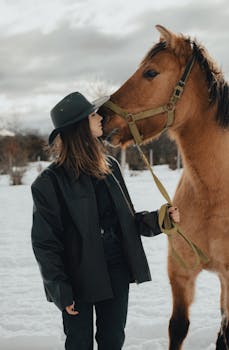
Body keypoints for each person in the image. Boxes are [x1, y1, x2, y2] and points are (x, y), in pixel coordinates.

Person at [31, 92, 180, 350]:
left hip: (117, 271)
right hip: (77, 278)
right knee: (79, 344)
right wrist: (60, 289)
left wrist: (160, 219)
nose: (100, 118)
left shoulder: (110, 167)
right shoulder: (48, 183)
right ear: (78, 126)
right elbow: (45, 243)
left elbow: (128, 221)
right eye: (92, 115)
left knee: (113, 341)